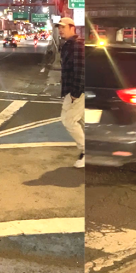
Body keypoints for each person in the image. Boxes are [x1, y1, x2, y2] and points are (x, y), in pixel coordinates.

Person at [57, 17, 86, 168]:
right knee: (82, 121)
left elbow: (80, 70)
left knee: (68, 120)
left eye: (63, 27)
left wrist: (76, 92)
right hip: (72, 90)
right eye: (59, 27)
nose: (60, 30)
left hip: (76, 91)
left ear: (72, 27)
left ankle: (85, 150)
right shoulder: (68, 45)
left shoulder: (77, 46)